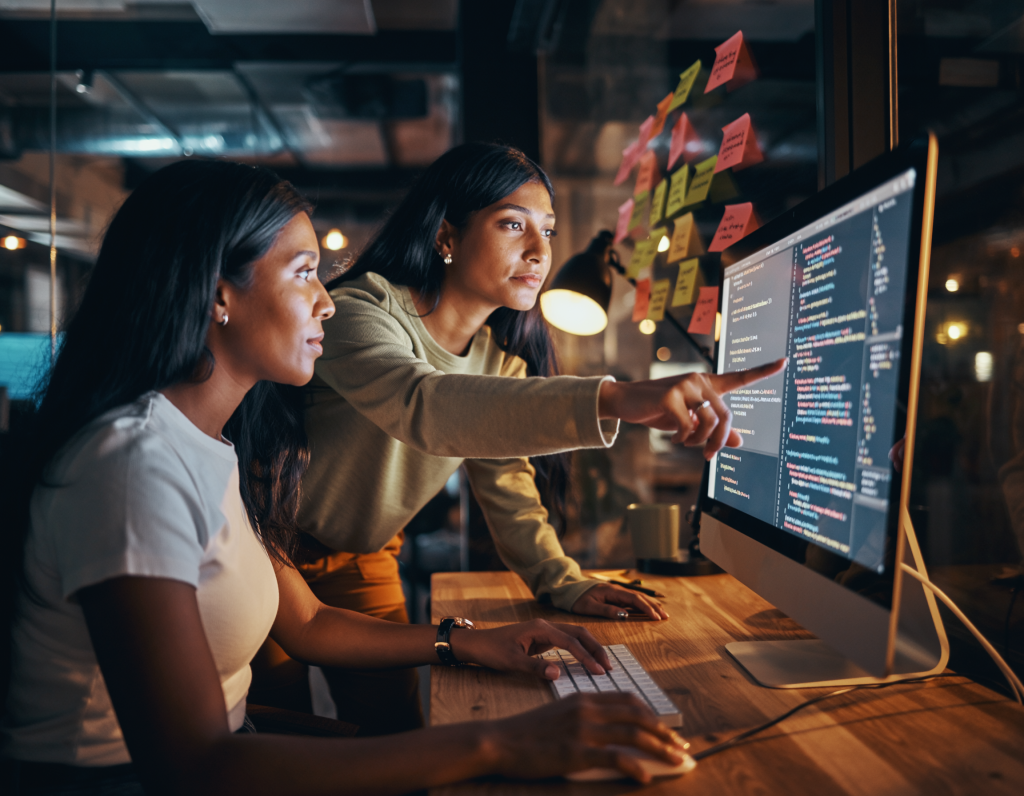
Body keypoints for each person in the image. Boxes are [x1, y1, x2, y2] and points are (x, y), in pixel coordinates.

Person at [0, 160, 689, 795]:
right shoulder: (135, 465)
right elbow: (198, 765)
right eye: (304, 272)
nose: (326, 301)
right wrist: (500, 742)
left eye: (548, 230)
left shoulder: (204, 446)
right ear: (218, 295)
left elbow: (309, 622)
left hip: (316, 615)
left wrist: (469, 637)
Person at [286, 142, 787, 732]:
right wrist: (614, 397)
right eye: (512, 224)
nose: (539, 251)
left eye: (547, 231)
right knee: (268, 728)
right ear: (446, 236)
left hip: (364, 557)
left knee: (393, 735)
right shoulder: (359, 310)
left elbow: (508, 487)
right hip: (269, 545)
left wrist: (563, 581)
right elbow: (424, 405)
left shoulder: (500, 363)